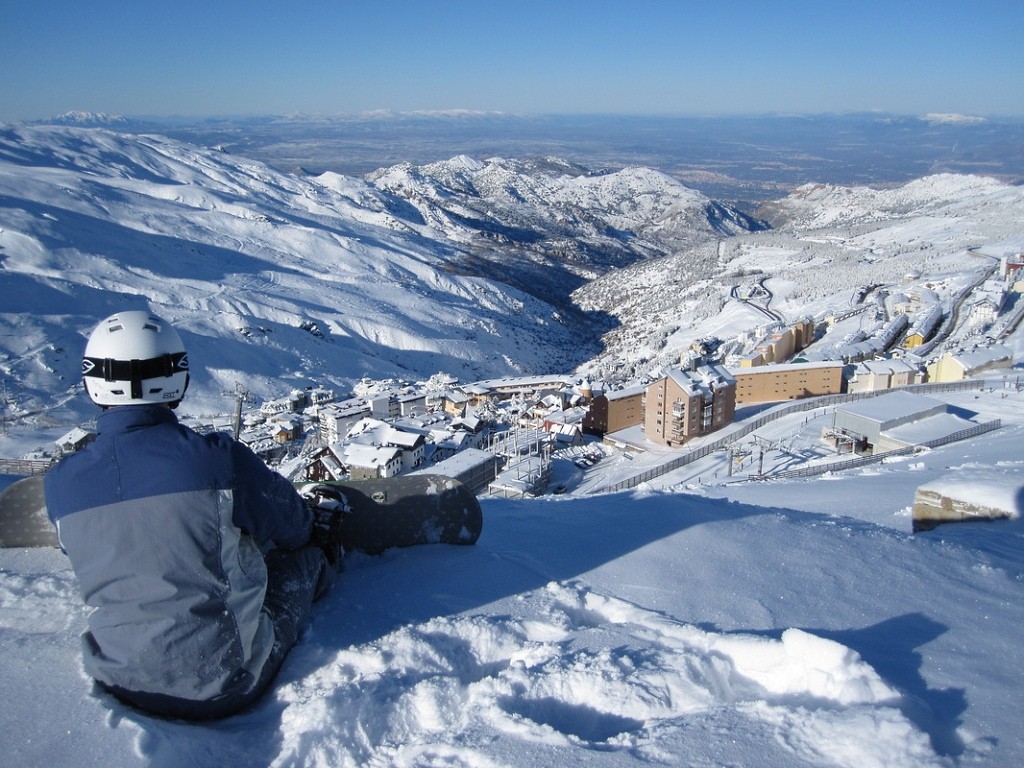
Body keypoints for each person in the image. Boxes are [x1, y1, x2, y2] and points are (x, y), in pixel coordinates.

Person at [45, 310, 342, 720]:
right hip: (226, 682)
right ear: (176, 377)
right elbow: (292, 526)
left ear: (94, 382)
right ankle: (330, 563)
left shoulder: (61, 485)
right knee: (303, 558)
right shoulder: (215, 461)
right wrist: (312, 533)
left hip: (119, 680)